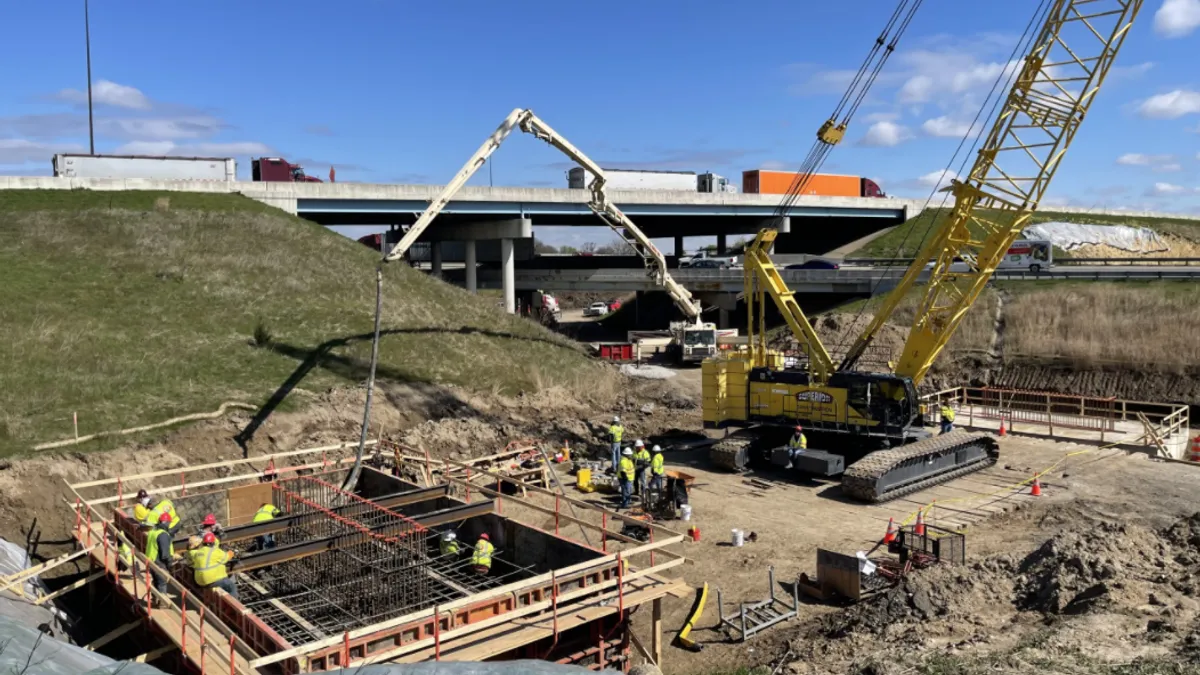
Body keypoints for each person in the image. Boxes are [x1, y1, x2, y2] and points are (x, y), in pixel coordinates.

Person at [186, 532, 238, 600]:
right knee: (232, 586)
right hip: (212, 580)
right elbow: (226, 557)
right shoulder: (215, 551)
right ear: (213, 543)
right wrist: (231, 553)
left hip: (199, 581)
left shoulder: (198, 552)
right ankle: (233, 604)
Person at [144, 512, 178, 605]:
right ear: (167, 523)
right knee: (162, 583)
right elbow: (165, 554)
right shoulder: (163, 535)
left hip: (151, 561)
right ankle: (162, 603)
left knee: (156, 581)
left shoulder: (152, 532)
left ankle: (155, 599)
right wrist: (170, 563)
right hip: (159, 563)